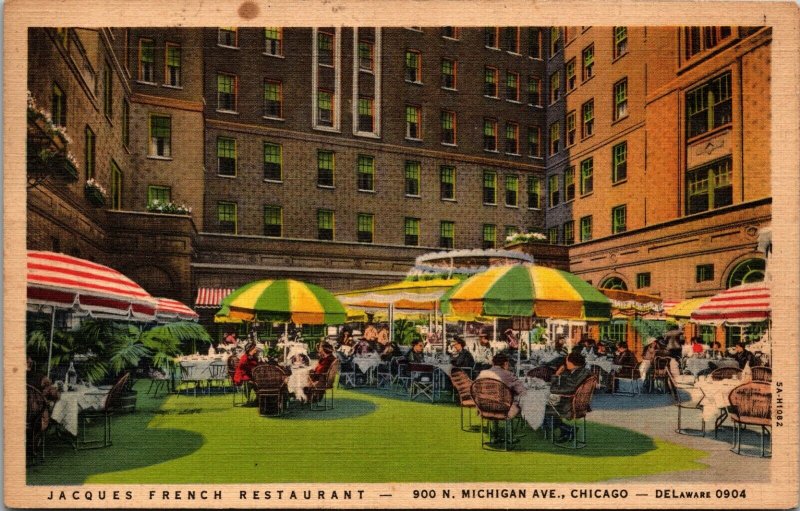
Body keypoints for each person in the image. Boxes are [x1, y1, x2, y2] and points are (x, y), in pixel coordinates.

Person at [547, 351, 592, 441]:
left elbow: (568, 390)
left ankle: (567, 429)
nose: (565, 362)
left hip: (569, 406)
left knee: (540, 407)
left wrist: (556, 376)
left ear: (572, 362)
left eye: (567, 360)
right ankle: (565, 430)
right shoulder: (581, 372)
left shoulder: (579, 373)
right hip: (576, 403)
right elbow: (568, 385)